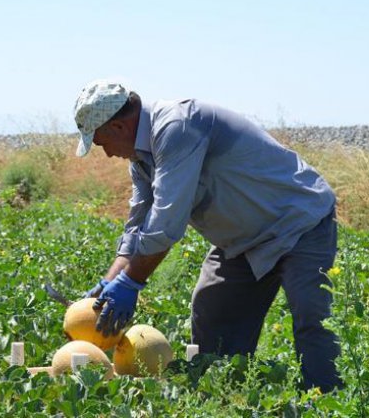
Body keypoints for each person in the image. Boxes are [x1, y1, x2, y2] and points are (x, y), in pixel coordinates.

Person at [74, 79, 343, 392]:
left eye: (101, 142)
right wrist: (109, 285)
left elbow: (166, 222)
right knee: (212, 309)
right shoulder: (141, 158)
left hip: (297, 222)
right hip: (243, 240)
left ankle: (326, 401)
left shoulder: (177, 127)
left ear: (119, 128)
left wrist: (132, 282)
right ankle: (223, 395)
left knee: (311, 317)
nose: (106, 153)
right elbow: (137, 227)